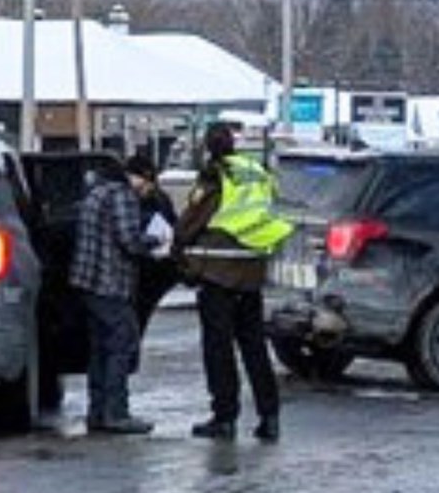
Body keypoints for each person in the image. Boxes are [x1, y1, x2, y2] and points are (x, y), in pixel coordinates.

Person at [174, 124, 294, 442]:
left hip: (219, 273)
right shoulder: (255, 171)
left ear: (208, 147)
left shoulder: (216, 174)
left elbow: (194, 218)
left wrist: (177, 246)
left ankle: (224, 417)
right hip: (251, 271)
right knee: (254, 347)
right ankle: (270, 417)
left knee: (219, 349)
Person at [71, 164, 158, 435]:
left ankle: (97, 412)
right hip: (109, 283)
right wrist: (155, 240)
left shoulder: (96, 192)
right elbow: (129, 239)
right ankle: (116, 413)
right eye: (147, 186)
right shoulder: (122, 196)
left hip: (87, 283)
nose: (145, 192)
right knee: (122, 342)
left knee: (99, 348)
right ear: (141, 178)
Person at [124, 154, 180, 335]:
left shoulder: (158, 198)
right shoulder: (124, 200)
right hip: (139, 271)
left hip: (151, 272)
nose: (149, 187)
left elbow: (172, 226)